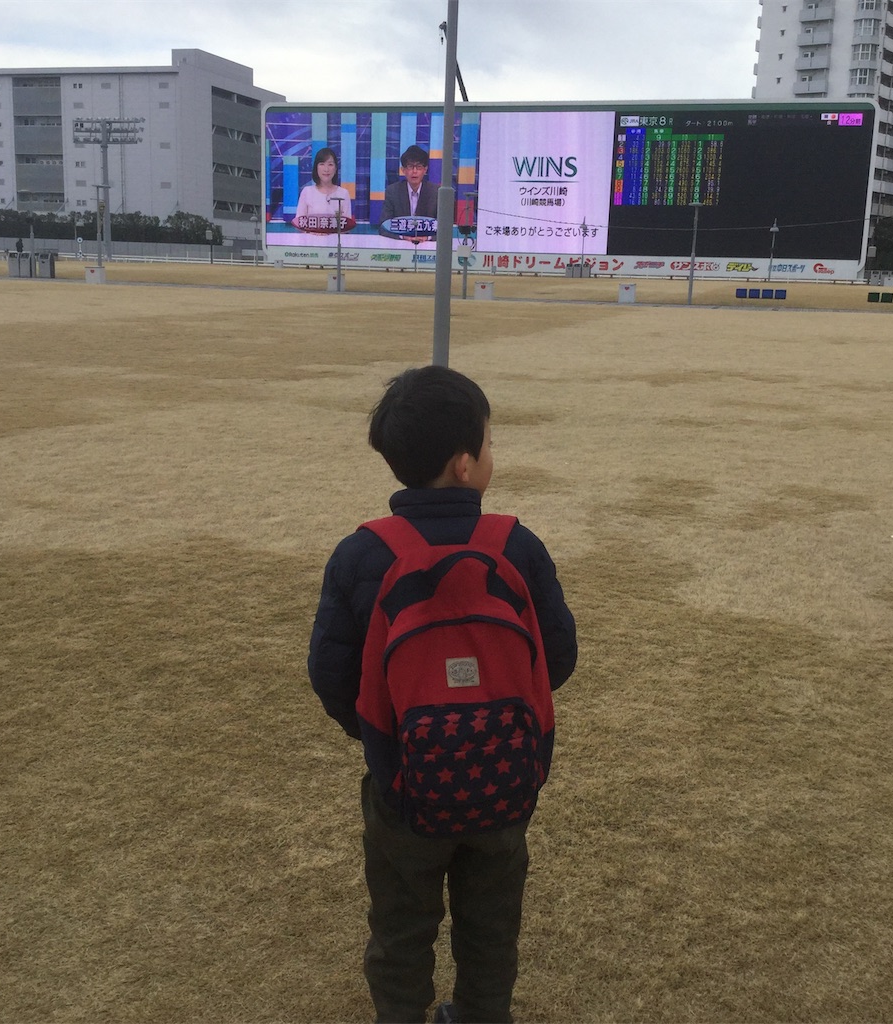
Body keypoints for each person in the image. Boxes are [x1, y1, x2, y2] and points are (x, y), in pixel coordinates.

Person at [309, 366, 578, 1024]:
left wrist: (381, 733)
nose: (492, 453)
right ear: (465, 464)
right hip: (504, 785)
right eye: (489, 441)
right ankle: (481, 1015)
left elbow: (331, 674)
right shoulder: (517, 547)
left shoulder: (361, 554)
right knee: (491, 930)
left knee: (401, 930)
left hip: (404, 790)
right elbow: (559, 658)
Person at [378, 145, 440, 241]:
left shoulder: (436, 192)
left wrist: (427, 238)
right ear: (403, 170)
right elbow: (383, 227)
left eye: (419, 167)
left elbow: (445, 229)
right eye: (410, 167)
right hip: (400, 246)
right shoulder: (393, 191)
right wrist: (403, 237)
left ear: (425, 170)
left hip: (428, 247)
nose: (414, 171)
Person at [293, 147, 353, 245]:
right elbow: (299, 223)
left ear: (335, 168)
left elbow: (346, 227)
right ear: (316, 167)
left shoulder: (343, 194)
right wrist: (315, 233)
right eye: (322, 164)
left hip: (335, 248)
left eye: (330, 164)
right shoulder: (307, 192)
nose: (326, 169)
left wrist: (329, 235)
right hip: (311, 246)